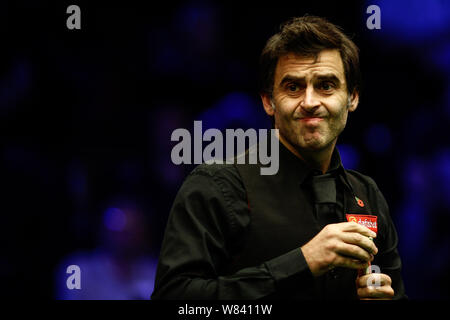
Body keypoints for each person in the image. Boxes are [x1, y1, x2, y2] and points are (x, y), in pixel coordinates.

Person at [151, 16, 406, 300]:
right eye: (293, 87)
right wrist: (303, 262)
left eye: (326, 85)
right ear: (268, 101)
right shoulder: (216, 186)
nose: (310, 102)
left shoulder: (367, 194)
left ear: (353, 98)